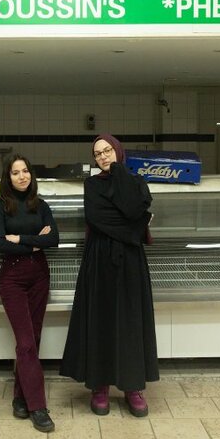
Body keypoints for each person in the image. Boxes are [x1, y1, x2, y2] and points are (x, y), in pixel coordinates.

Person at [60, 134, 159, 417]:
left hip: (129, 262)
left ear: (118, 152)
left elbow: (131, 208)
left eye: (107, 151)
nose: (103, 157)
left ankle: (132, 387)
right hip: (100, 259)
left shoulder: (136, 181)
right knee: (100, 321)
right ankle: (100, 386)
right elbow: (99, 218)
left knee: (130, 321)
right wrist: (136, 227)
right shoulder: (91, 185)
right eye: (98, 154)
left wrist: (120, 176)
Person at [0, 154, 59, 433]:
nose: (21, 176)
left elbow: (53, 239)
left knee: (34, 338)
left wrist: (19, 239)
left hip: (40, 276)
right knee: (26, 342)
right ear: (8, 178)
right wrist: (34, 244)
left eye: (25, 171)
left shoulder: (40, 205)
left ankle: (20, 396)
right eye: (15, 172)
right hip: (13, 278)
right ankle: (37, 407)